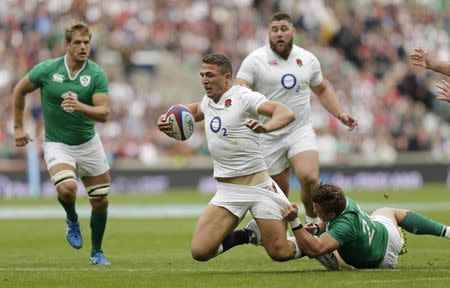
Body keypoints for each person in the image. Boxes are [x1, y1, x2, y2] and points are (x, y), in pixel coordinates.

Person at [157, 53, 337, 269]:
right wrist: (169, 119)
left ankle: (314, 245)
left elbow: (285, 112)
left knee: (280, 253)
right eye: (202, 75)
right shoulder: (208, 101)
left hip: (260, 187)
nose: (205, 79)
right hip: (228, 191)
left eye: (210, 75)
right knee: (200, 251)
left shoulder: (243, 97)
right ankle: (250, 234)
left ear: (227, 78)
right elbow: (194, 110)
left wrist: (266, 127)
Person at [235, 12, 358, 224]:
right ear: (268, 33)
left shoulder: (308, 59)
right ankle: (286, 234)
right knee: (280, 196)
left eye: (284, 29)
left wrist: (340, 113)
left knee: (309, 177)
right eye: (275, 30)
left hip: (299, 130)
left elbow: (322, 89)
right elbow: (240, 88)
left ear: (293, 31)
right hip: (267, 134)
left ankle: (312, 222)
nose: (279, 34)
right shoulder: (254, 61)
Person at [12, 21, 111, 266]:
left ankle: (96, 252)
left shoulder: (96, 74)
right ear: (66, 45)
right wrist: (17, 127)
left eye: (86, 42)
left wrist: (80, 107)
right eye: (77, 42)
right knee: (67, 189)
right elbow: (20, 90)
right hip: (58, 144)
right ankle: (72, 219)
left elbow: (104, 113)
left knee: (100, 201)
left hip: (89, 144)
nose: (83, 47)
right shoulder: (47, 70)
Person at [281, 182, 450, 269]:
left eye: (318, 211)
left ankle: (331, 257)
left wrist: (295, 222)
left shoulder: (344, 225)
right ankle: (447, 231)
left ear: (332, 215)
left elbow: (315, 248)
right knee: (387, 210)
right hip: (385, 234)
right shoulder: (342, 200)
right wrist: (318, 227)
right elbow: (328, 221)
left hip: (380, 261)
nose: (315, 212)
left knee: (312, 246)